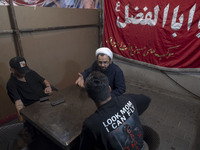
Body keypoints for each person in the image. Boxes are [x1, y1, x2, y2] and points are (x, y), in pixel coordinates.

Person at [79, 71, 151, 150]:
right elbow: (147, 100)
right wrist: (130, 113)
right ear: (109, 89)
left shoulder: (91, 124)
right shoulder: (127, 99)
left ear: (88, 95)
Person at [6, 56, 53, 122]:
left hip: (46, 102)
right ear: (12, 70)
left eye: (24, 70)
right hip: (33, 109)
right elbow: (19, 104)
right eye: (21, 71)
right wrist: (22, 122)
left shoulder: (30, 73)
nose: (24, 73)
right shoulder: (11, 84)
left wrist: (48, 87)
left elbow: (44, 81)